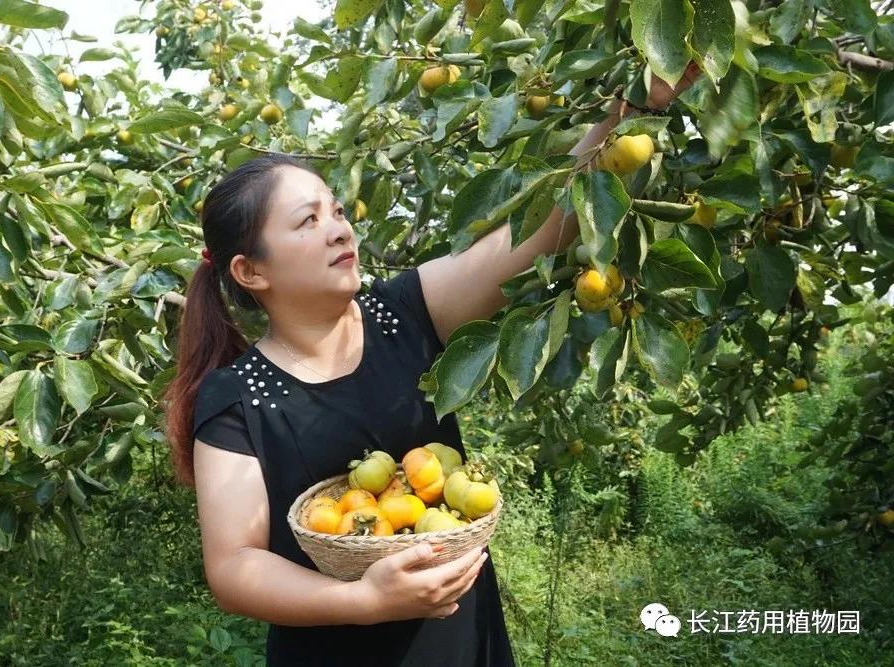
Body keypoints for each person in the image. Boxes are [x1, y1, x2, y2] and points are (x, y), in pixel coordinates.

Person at [162, 66, 700, 666]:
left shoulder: (403, 316)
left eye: (337, 211)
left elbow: (534, 235)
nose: (340, 229)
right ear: (250, 272)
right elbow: (235, 566)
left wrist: (625, 110)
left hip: (462, 641)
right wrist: (366, 600)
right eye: (308, 221)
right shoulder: (237, 398)